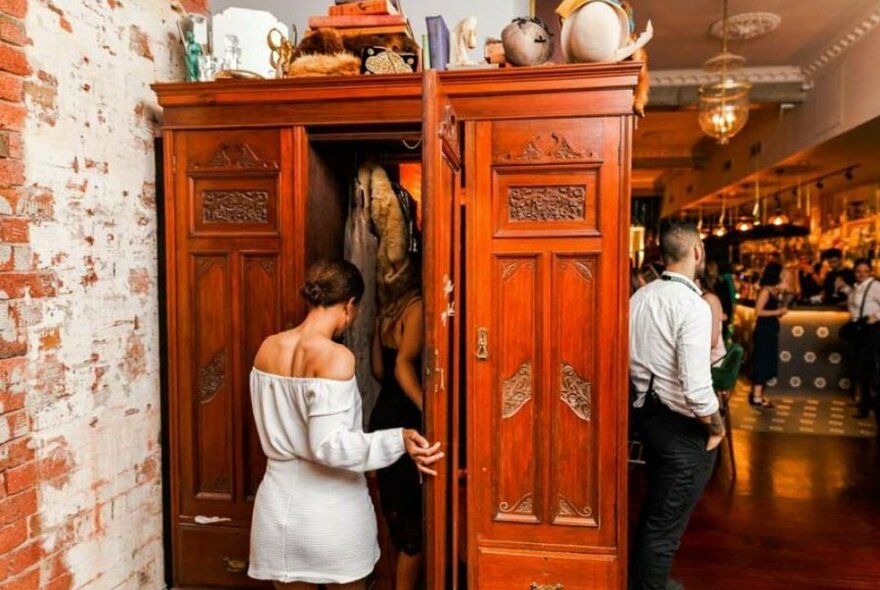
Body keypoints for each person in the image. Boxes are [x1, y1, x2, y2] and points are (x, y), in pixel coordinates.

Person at [247, 260, 444, 590]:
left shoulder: (268, 347)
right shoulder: (336, 356)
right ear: (350, 305)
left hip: (277, 512)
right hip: (330, 513)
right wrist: (401, 439)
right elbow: (330, 446)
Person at [629, 222, 725, 590]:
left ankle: (644, 581)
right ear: (697, 252)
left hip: (647, 418)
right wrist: (716, 427)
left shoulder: (640, 297)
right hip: (681, 429)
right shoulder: (693, 306)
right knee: (667, 524)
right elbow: (697, 386)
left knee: (656, 512)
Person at [370, 277, 425, 590]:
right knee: (412, 524)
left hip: (383, 412)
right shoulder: (415, 307)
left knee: (395, 513)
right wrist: (426, 408)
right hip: (405, 416)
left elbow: (379, 369)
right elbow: (401, 365)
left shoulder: (387, 310)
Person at [841, 259, 880, 420]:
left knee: (867, 366)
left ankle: (867, 405)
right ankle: (865, 401)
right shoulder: (857, 288)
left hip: (872, 329)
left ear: (870, 271)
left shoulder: (875, 286)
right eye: (858, 271)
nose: (861, 274)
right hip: (860, 329)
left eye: (864, 271)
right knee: (860, 364)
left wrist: (876, 316)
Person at [750, 262, 788, 409]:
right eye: (782, 272)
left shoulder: (773, 290)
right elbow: (758, 312)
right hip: (764, 330)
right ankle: (756, 397)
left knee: (767, 361)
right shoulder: (765, 291)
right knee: (762, 360)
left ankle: (759, 394)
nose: (785, 275)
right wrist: (776, 312)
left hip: (770, 329)